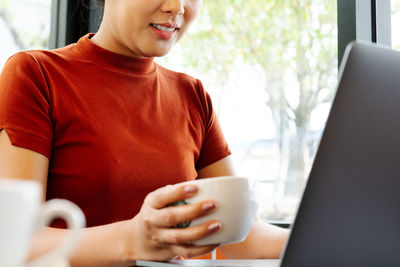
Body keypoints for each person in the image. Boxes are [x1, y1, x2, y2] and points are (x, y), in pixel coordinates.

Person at [0, 0, 289, 266]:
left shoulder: (193, 95)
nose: (177, 7)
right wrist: (132, 239)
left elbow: (232, 232)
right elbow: (13, 240)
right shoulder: (36, 75)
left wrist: (317, 238)